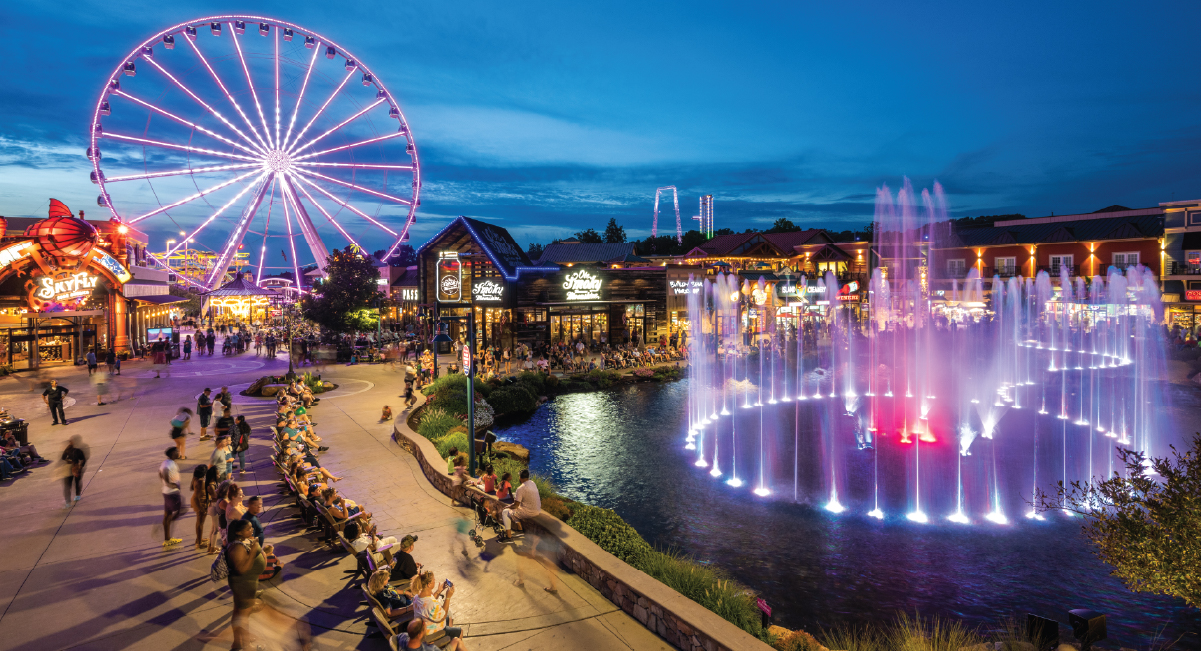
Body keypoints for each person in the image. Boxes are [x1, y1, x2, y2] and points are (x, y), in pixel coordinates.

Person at [224, 519, 266, 651]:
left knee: (238, 614)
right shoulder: (237, 547)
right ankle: (247, 646)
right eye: (248, 529)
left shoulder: (241, 542)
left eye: (251, 528)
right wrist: (254, 551)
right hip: (244, 585)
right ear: (238, 532)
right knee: (243, 616)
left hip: (246, 583)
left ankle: (237, 643)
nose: (251, 530)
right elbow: (242, 569)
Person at [411, 570, 462, 642]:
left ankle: (448, 641)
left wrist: (439, 591)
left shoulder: (417, 597)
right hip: (431, 633)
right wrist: (448, 597)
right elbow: (443, 616)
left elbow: (427, 603)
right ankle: (449, 642)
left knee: (449, 618)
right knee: (460, 632)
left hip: (424, 627)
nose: (435, 581)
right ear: (429, 584)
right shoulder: (431, 603)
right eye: (434, 580)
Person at [242, 496, 283, 579]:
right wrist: (260, 552)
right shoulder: (249, 519)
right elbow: (250, 539)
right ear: (250, 505)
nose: (259, 507)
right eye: (256, 505)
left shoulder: (253, 516)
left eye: (260, 504)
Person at [499, 470, 540, 543]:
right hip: (537, 510)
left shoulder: (520, 488)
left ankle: (509, 537)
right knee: (514, 510)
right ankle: (520, 529)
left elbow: (515, 505)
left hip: (529, 512)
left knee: (505, 512)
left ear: (520, 477)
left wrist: (508, 507)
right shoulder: (533, 483)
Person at [159, 447, 184, 547]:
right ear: (172, 453)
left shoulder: (167, 462)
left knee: (168, 514)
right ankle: (163, 528)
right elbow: (164, 472)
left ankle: (167, 539)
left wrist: (164, 483)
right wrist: (169, 484)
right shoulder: (168, 464)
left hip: (167, 492)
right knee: (181, 510)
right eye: (177, 451)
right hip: (172, 493)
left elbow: (159, 473)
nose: (178, 453)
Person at [395, 618, 468, 651]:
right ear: (420, 635)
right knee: (457, 640)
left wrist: (424, 643)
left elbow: (394, 637)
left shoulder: (403, 636)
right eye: (424, 629)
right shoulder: (430, 649)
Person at [60, 434, 87, 508]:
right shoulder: (69, 449)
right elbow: (63, 457)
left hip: (75, 468)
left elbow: (83, 459)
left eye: (71, 441)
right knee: (69, 485)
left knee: (75, 483)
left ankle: (76, 495)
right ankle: (69, 501)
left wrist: (79, 467)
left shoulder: (78, 450)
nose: (69, 442)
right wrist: (72, 462)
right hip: (70, 469)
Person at [190, 464, 213, 549]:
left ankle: (198, 539)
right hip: (201, 503)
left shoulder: (195, 479)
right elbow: (205, 494)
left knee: (199, 522)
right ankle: (199, 543)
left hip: (197, 501)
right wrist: (202, 507)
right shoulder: (202, 482)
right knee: (200, 523)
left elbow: (193, 489)